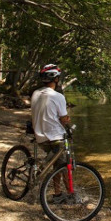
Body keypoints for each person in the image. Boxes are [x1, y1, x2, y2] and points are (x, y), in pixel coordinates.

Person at [31, 64, 71, 203]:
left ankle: (58, 192)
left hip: (39, 137)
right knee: (63, 165)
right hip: (54, 137)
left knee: (56, 163)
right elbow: (64, 119)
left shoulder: (35, 93)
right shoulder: (58, 96)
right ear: (56, 79)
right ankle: (68, 193)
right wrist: (67, 120)